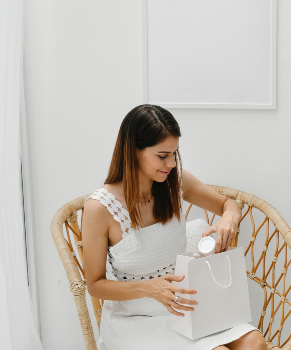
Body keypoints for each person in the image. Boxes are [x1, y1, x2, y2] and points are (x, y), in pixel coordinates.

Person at [81, 104, 266, 350]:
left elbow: (227, 205)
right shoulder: (99, 208)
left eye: (174, 154)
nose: (171, 163)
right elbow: (94, 285)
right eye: (162, 155)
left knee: (255, 342)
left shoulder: (173, 182)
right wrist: (149, 288)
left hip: (186, 307)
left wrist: (228, 220)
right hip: (136, 319)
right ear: (133, 151)